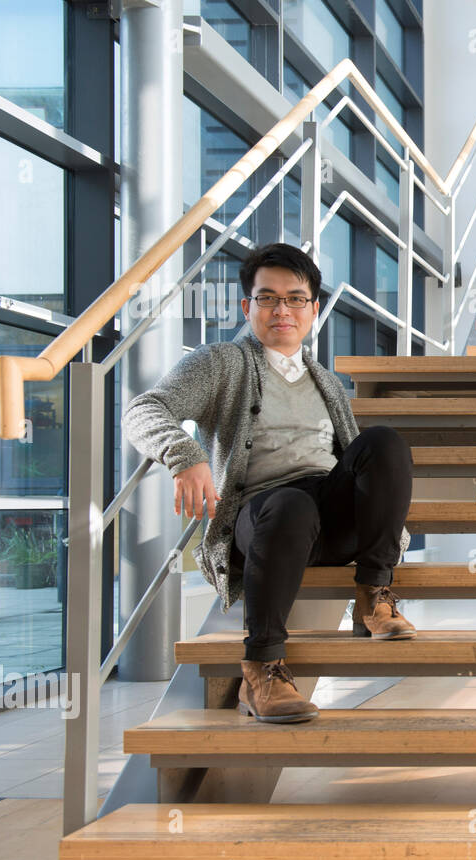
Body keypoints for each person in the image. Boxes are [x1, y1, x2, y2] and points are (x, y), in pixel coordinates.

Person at [122, 243, 415, 724]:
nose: (283, 309)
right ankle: (263, 667)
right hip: (263, 519)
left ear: (313, 308)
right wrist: (185, 455)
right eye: (268, 298)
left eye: (296, 298)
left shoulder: (327, 383)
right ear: (248, 306)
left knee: (384, 443)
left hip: (328, 520)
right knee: (290, 505)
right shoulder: (221, 362)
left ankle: (375, 595)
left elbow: (360, 467)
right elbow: (144, 409)